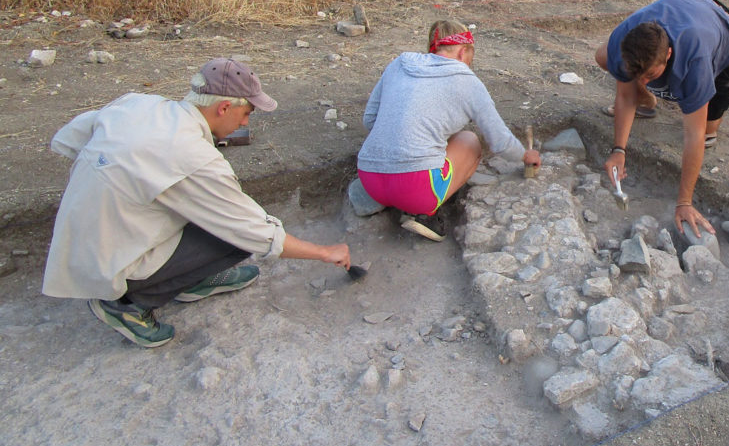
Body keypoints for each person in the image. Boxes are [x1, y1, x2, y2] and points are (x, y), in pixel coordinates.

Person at [43, 58, 353, 348]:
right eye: (247, 114)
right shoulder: (193, 156)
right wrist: (324, 252)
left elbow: (67, 139)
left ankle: (188, 280)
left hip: (82, 242)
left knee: (209, 210)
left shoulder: (139, 103)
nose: (246, 122)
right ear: (224, 107)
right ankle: (125, 305)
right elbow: (255, 231)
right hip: (110, 263)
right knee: (235, 235)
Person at [356, 19, 541, 241]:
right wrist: (525, 155)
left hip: (370, 180)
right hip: (416, 190)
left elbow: (370, 120)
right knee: (469, 140)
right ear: (463, 52)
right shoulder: (466, 80)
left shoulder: (400, 63)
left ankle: (387, 198)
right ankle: (426, 216)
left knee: (441, 140)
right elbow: (500, 142)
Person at [596, 0, 729, 236]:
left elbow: (693, 136)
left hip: (720, 24)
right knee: (604, 57)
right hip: (682, 8)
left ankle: (713, 71)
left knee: (708, 132)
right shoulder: (622, 43)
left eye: (650, 75)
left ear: (668, 55)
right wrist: (618, 150)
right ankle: (647, 102)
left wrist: (684, 202)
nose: (643, 81)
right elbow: (625, 96)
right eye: (639, 76)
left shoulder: (695, 60)